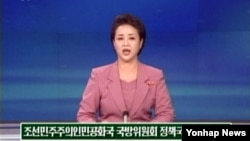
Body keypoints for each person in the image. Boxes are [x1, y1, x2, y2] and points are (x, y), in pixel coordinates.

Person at [77, 14, 175, 122]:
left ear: (141, 42)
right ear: (114, 43)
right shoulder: (98, 75)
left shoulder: (155, 76)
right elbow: (84, 115)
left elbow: (166, 114)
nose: (126, 44)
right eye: (120, 38)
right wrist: (101, 130)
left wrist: (147, 130)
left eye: (132, 38)